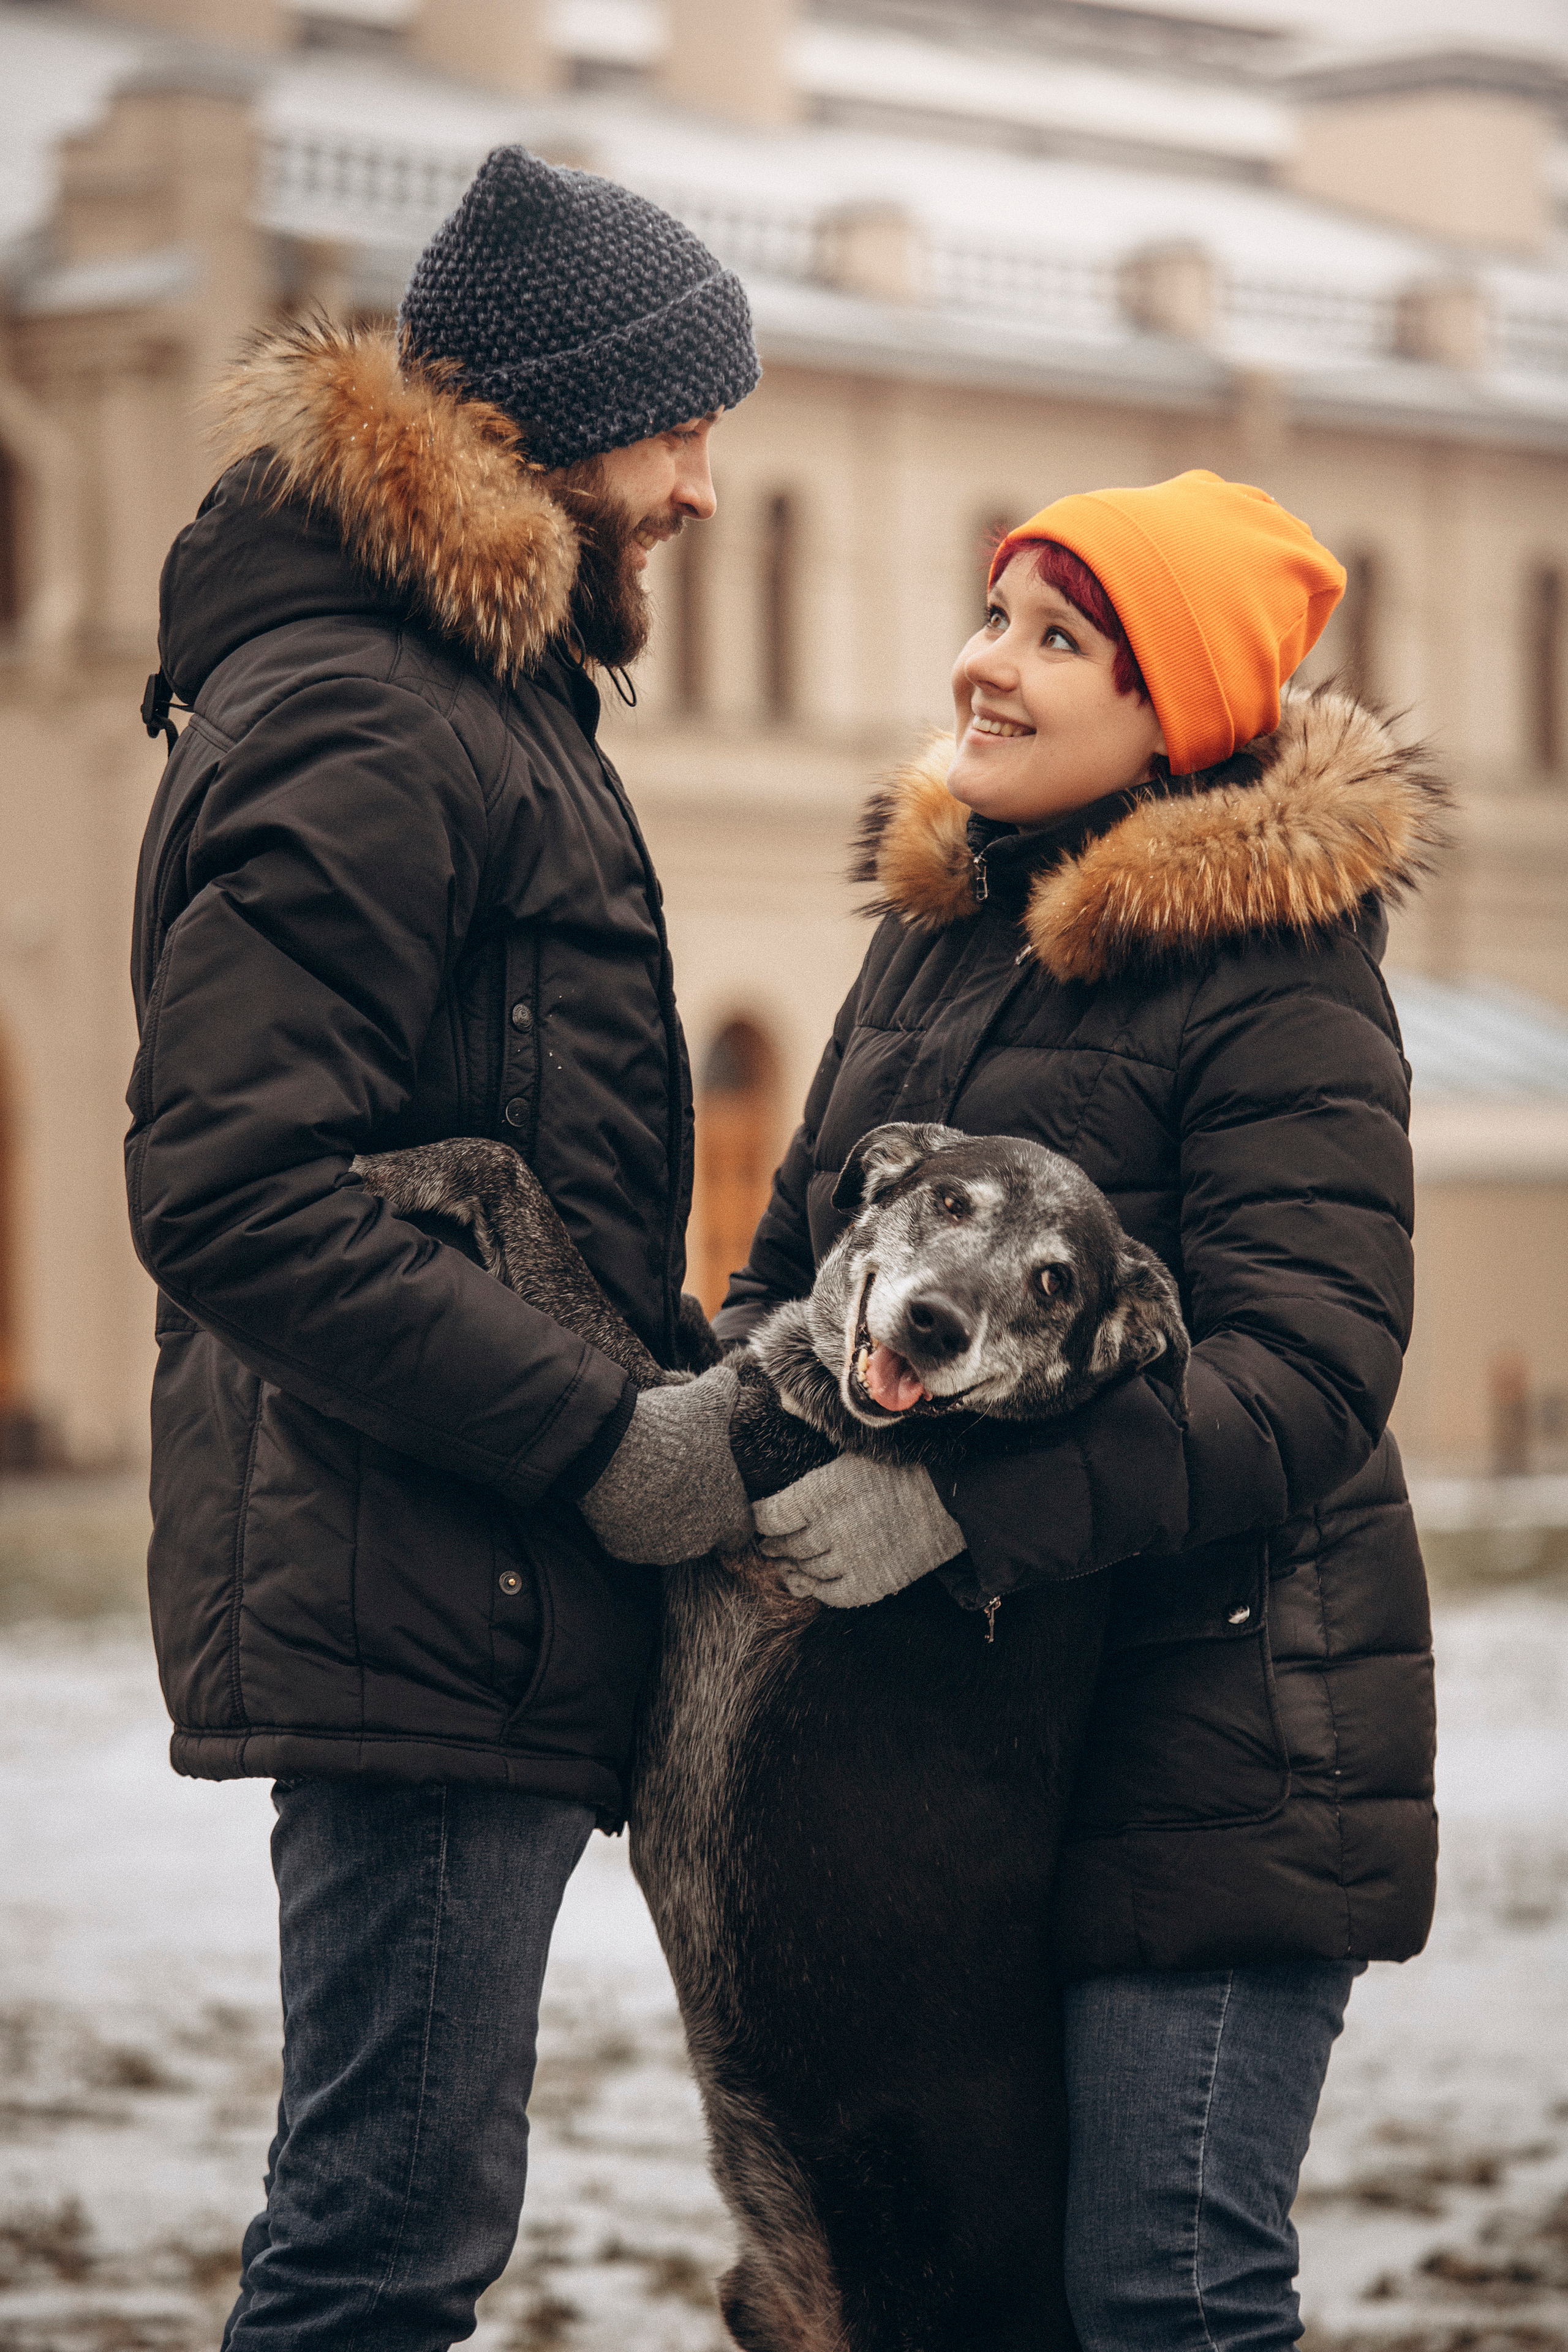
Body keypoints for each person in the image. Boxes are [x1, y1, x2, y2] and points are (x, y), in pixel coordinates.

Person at [125, 148, 767, 2347]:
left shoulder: (460, 697)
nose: (700, 486)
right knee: (382, 2249)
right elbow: (230, 1188)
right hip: (423, 1577)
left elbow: (511, 1166)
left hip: (456, 1571)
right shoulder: (378, 710)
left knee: (400, 2229)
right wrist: (607, 1434)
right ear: (553, 422)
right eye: (679, 424)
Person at [730, 470, 1443, 2351]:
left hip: (1213, 1741)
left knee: (1165, 2293)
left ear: (1177, 714)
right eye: (994, 615)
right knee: (973, 2305)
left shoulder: (1275, 972)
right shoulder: (933, 931)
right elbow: (792, 1268)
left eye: (1062, 641)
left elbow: (1308, 1374)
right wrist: (717, 1437)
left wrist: (962, 1514)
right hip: (964, 1764)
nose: (989, 669)